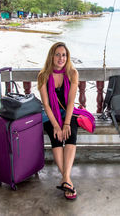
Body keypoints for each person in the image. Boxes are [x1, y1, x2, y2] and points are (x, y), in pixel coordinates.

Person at [37, 42, 79, 200]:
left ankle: (65, 178)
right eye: (58, 54)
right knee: (56, 137)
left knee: (70, 135)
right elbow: (46, 104)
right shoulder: (43, 76)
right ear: (51, 56)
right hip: (50, 114)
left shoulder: (72, 73)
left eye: (64, 55)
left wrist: (66, 124)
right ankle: (68, 180)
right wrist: (56, 125)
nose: (61, 58)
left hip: (68, 112)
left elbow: (70, 102)